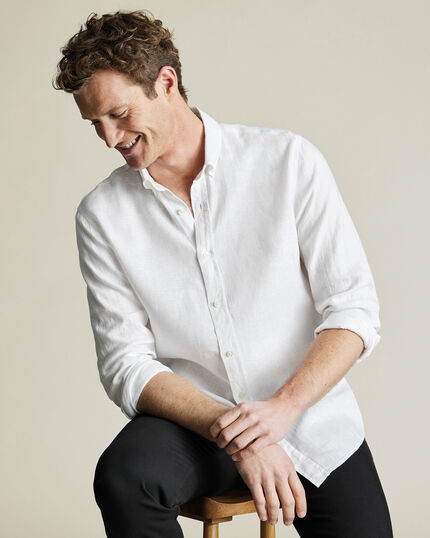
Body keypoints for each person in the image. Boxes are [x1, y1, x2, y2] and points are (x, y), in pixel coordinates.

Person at [53, 9, 393, 538]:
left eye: (118, 113)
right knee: (125, 476)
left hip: (308, 420)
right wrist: (232, 430)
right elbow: (125, 362)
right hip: (193, 428)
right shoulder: (101, 215)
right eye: (94, 123)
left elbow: (353, 311)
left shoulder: (287, 162)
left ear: (166, 82)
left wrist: (282, 410)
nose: (109, 137)